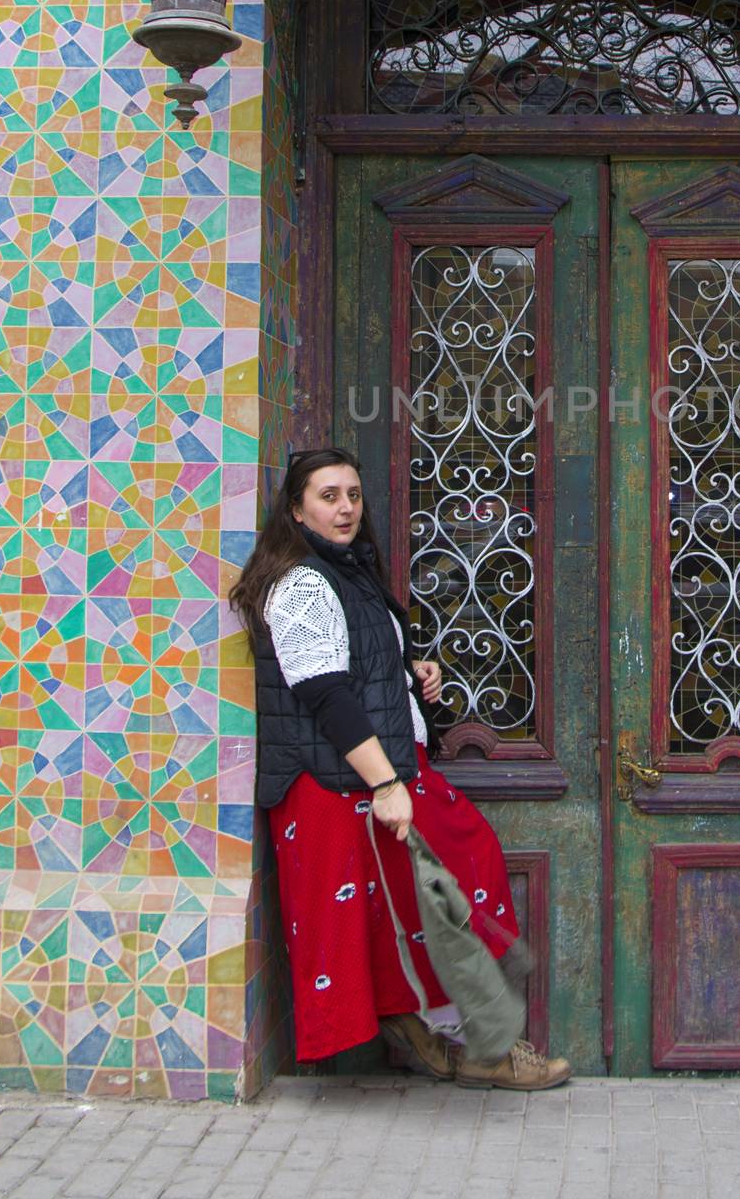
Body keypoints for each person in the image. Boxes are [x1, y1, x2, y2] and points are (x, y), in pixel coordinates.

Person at [231, 446, 571, 1090]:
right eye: (328, 496)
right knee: (409, 913)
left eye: (353, 495)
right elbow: (323, 693)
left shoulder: (348, 571)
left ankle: (468, 1042)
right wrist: (385, 783)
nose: (345, 508)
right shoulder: (303, 583)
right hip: (339, 782)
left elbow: (353, 664)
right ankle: (474, 1046)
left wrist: (407, 677)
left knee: (432, 900)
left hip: (378, 769)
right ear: (297, 509)